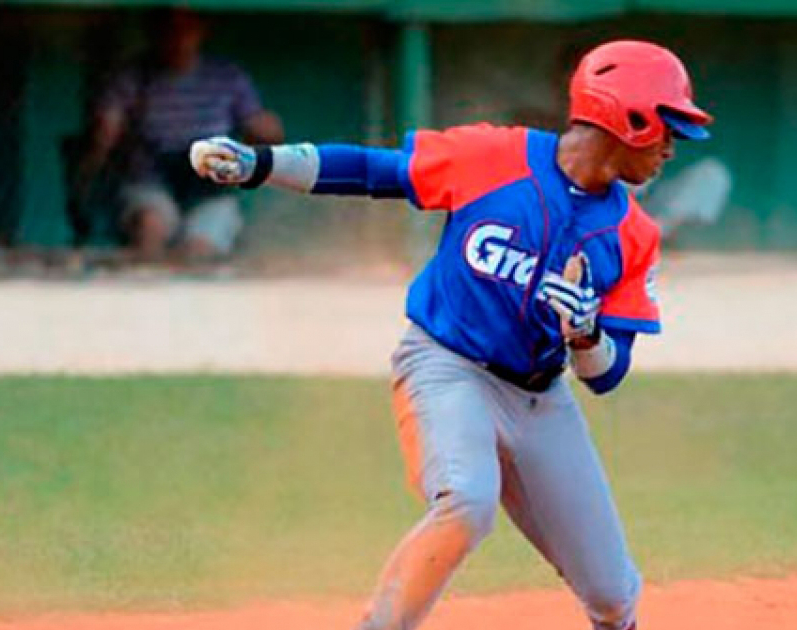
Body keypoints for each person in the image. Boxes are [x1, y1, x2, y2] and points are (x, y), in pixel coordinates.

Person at [190, 40, 711, 630]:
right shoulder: (496, 155)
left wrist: (587, 336)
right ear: (628, 114)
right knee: (467, 502)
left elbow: (609, 376)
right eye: (668, 124)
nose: (673, 145)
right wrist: (261, 163)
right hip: (445, 366)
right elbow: (371, 170)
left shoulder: (632, 233)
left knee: (614, 596)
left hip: (541, 401)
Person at [79, 8, 284, 263]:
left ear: (201, 32)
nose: (177, 39)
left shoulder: (227, 76)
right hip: (149, 182)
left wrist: (266, 131)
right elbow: (107, 128)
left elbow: (261, 127)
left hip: (209, 186)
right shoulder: (133, 77)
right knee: (150, 226)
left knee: (201, 246)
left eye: (186, 30)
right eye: (169, 30)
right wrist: (103, 138)